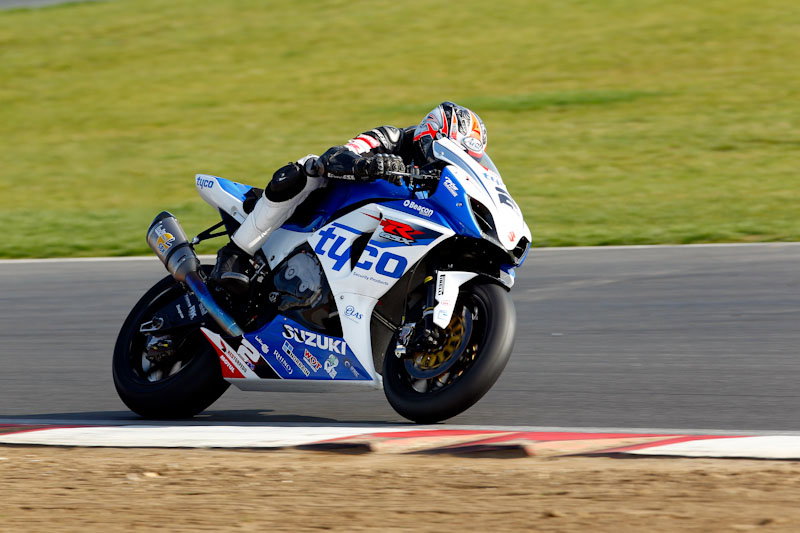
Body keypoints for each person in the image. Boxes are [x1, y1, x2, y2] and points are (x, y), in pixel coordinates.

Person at [211, 101, 488, 291]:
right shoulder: (392, 138)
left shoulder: (440, 181)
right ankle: (235, 253)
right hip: (327, 209)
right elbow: (337, 154)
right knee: (310, 167)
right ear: (430, 133)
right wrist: (367, 165)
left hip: (386, 231)